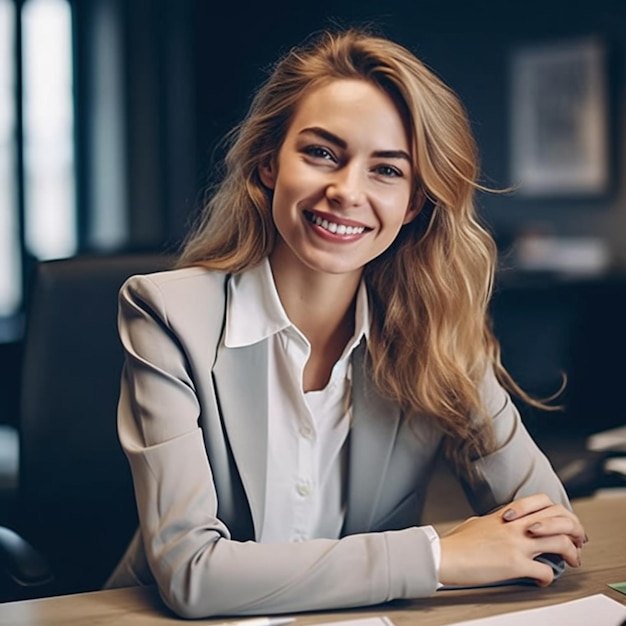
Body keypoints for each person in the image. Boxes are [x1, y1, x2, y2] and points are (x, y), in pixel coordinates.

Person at [105, 27, 587, 619]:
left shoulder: (433, 330)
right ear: (267, 164)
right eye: (322, 153)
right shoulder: (168, 318)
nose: (346, 191)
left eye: (387, 170)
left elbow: (550, 535)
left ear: (414, 203)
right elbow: (192, 574)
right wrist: (437, 557)